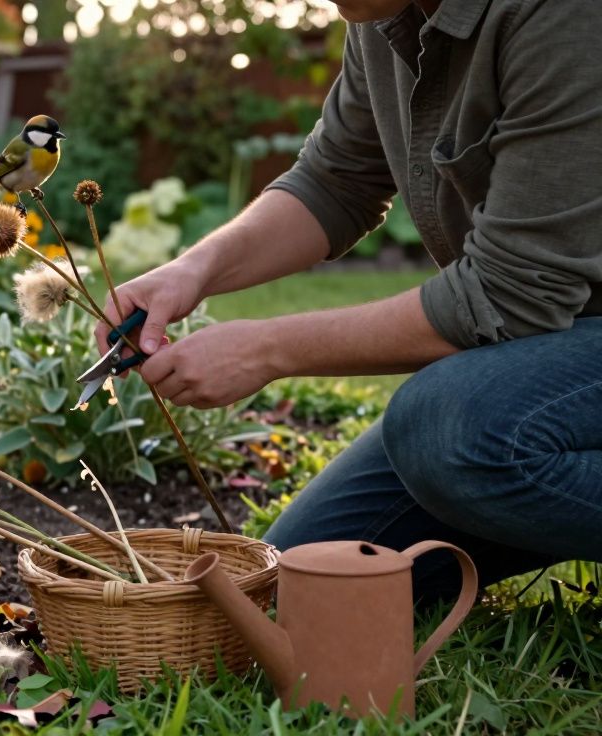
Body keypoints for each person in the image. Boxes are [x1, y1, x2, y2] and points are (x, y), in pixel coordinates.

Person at [98, 0, 602, 600]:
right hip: (557, 348)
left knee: (451, 430)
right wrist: (192, 271)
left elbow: (511, 294)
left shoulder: (566, 16)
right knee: (306, 578)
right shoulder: (381, 15)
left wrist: (265, 349)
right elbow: (336, 180)